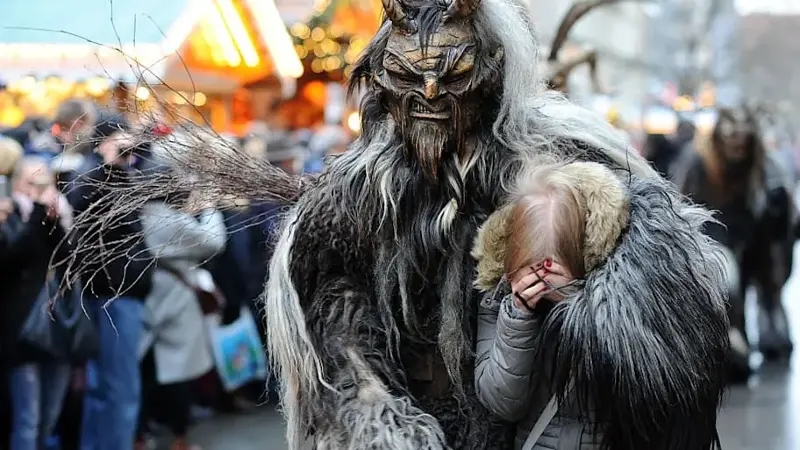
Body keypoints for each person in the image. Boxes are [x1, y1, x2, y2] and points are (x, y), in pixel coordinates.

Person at [64, 0, 731, 447]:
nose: (432, 94)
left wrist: (607, 325)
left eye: (453, 71)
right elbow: (333, 328)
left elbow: (667, 283)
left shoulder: (564, 158)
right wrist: (374, 411)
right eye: (409, 74)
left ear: (492, 69)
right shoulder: (352, 198)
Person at [472, 161, 728, 449]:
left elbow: (641, 391)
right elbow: (502, 402)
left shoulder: (619, 293)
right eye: (530, 269)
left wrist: (575, 307)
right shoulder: (498, 299)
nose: (540, 284)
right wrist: (517, 317)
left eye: (549, 269)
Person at [67, 116, 154, 450]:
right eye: (121, 138)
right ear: (103, 141)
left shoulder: (122, 174)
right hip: (110, 293)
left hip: (119, 293)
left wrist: (120, 166)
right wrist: (110, 166)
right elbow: (87, 210)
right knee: (118, 386)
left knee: (109, 384)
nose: (129, 146)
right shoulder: (91, 175)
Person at [136, 171, 226, 450]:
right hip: (174, 301)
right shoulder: (167, 219)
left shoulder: (141, 214)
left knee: (147, 371)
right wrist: (210, 207)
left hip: (150, 298)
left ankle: (142, 434)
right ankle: (179, 439)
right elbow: (214, 241)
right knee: (178, 374)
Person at [0, 158, 74, 450]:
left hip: (55, 329)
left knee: (49, 416)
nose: (40, 192)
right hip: (21, 333)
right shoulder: (10, 216)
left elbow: (70, 262)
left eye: (46, 185)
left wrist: (58, 223)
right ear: (18, 184)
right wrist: (36, 217)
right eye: (34, 184)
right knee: (27, 418)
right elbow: (10, 260)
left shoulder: (50, 219)